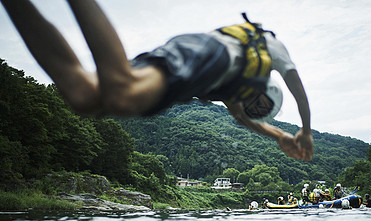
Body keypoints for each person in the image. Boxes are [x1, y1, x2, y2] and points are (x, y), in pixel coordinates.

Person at [2, 0, 314, 161]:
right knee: (123, 96)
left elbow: (241, 118)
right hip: (206, 52)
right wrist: (306, 130)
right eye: (260, 103)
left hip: (193, 70)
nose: (253, 108)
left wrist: (277, 137)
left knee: (83, 97)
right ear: (266, 88)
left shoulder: (234, 91)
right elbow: (297, 86)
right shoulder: (268, 49)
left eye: (259, 110)